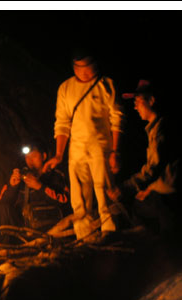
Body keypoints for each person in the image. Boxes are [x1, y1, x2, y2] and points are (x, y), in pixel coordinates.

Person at [43, 51, 123, 242]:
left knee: (104, 189)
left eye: (89, 67)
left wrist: (115, 151)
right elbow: (62, 122)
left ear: (95, 65)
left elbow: (117, 118)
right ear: (74, 67)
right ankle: (85, 236)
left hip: (100, 145)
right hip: (76, 149)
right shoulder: (66, 88)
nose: (86, 72)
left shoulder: (106, 84)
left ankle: (110, 232)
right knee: (78, 195)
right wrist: (59, 154)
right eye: (81, 68)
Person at [108, 79, 181, 245]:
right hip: (164, 193)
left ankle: (153, 249)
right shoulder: (156, 128)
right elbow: (161, 168)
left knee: (139, 213)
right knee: (139, 207)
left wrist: (125, 187)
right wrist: (148, 189)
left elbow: (154, 168)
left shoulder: (161, 131)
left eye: (138, 102)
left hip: (169, 197)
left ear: (151, 101)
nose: (135, 107)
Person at [0, 140, 71, 233]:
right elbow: (0, 206)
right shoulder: (21, 177)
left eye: (33, 156)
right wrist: (12, 187)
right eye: (27, 157)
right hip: (23, 228)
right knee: (2, 208)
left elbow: (65, 202)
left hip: (49, 227)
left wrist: (40, 187)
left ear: (44, 156)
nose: (30, 160)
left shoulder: (55, 176)